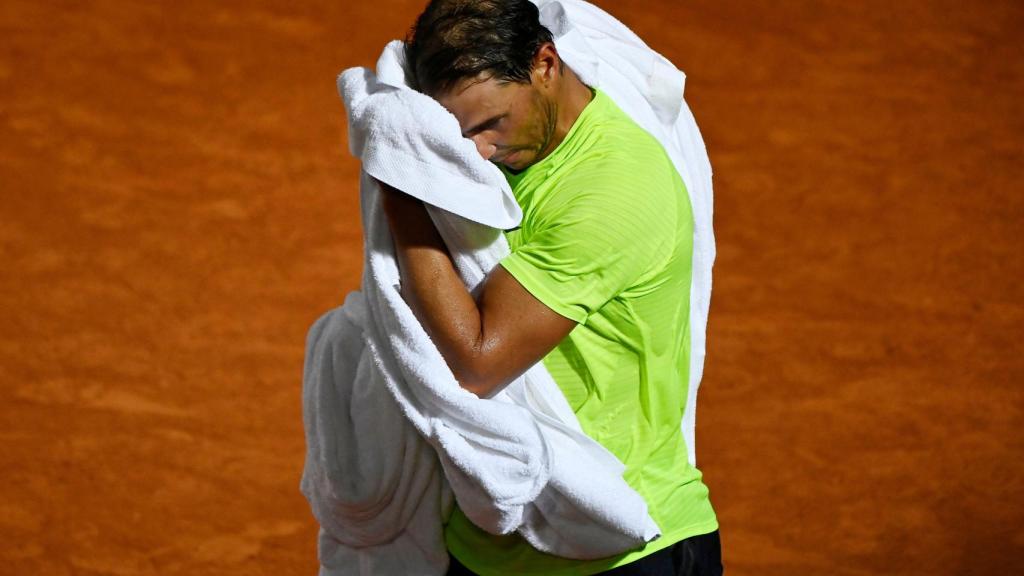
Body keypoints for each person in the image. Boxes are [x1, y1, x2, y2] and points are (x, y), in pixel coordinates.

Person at [378, 0, 722, 574]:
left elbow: (477, 362)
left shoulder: (613, 191)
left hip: (621, 546)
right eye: (457, 134)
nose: (479, 152)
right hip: (487, 541)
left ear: (545, 63)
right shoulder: (487, 157)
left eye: (492, 123)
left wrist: (401, 181)